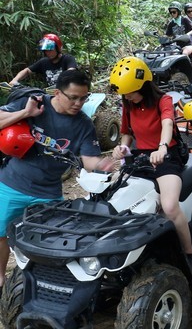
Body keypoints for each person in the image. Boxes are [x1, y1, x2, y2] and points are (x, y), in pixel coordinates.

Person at [0, 69, 114, 292]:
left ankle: (38, 282)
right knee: (0, 234)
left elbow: (88, 158)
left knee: (50, 241)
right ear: (57, 93)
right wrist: (25, 113)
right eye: (73, 97)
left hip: (49, 191)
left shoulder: (83, 125)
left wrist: (102, 164)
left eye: (84, 97)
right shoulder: (35, 103)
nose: (78, 103)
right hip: (12, 184)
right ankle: (1, 278)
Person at [109, 56, 192, 268]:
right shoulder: (128, 104)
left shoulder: (163, 100)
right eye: (124, 94)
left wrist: (162, 147)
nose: (128, 97)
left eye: (131, 92)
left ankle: (189, 252)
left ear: (144, 86)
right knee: (116, 199)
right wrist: (122, 147)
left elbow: (167, 124)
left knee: (169, 206)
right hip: (140, 157)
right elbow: (127, 133)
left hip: (167, 155)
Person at [10, 33, 77, 87]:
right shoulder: (43, 62)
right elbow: (27, 70)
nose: (48, 53)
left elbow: (71, 71)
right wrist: (15, 80)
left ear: (58, 49)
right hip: (51, 95)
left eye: (50, 50)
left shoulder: (68, 59)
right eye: (46, 50)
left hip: (68, 93)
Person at [165, 2, 192, 71]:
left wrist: (187, 34)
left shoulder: (184, 19)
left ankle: (191, 71)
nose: (172, 14)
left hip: (187, 45)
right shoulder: (171, 23)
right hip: (175, 46)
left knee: (185, 53)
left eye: (174, 12)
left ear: (178, 11)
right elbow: (168, 35)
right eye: (171, 12)